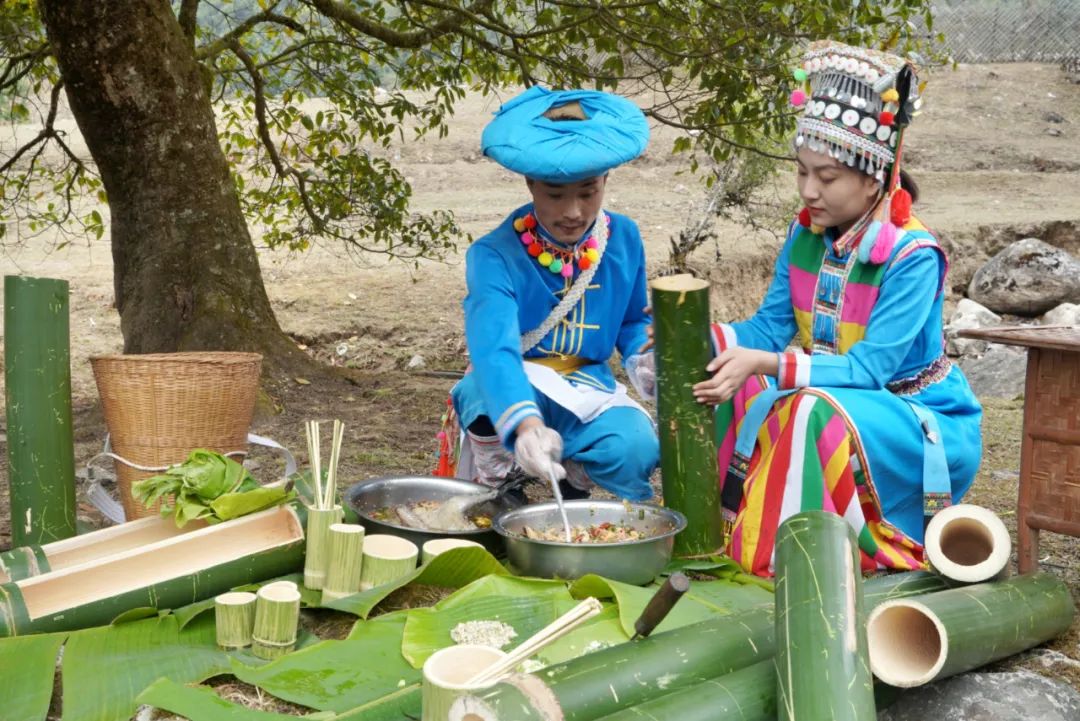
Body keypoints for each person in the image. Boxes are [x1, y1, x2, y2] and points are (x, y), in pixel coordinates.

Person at [695, 41, 983, 576]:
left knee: (806, 408)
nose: (808, 191)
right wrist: (694, 341)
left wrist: (764, 363)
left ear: (873, 175)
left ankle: (792, 565)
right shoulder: (805, 237)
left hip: (912, 417)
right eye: (801, 172)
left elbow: (870, 371)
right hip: (832, 395)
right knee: (732, 384)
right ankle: (722, 532)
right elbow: (769, 327)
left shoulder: (913, 256)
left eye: (826, 178)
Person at [448, 86, 659, 501]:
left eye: (588, 191)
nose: (573, 212)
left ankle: (574, 482)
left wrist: (643, 356)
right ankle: (501, 486)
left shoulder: (624, 238)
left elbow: (634, 320)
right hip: (517, 383)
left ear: (605, 180)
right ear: (529, 184)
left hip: (587, 388)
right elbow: (495, 351)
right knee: (478, 394)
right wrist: (525, 424)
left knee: (637, 446)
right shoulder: (492, 255)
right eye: (555, 194)